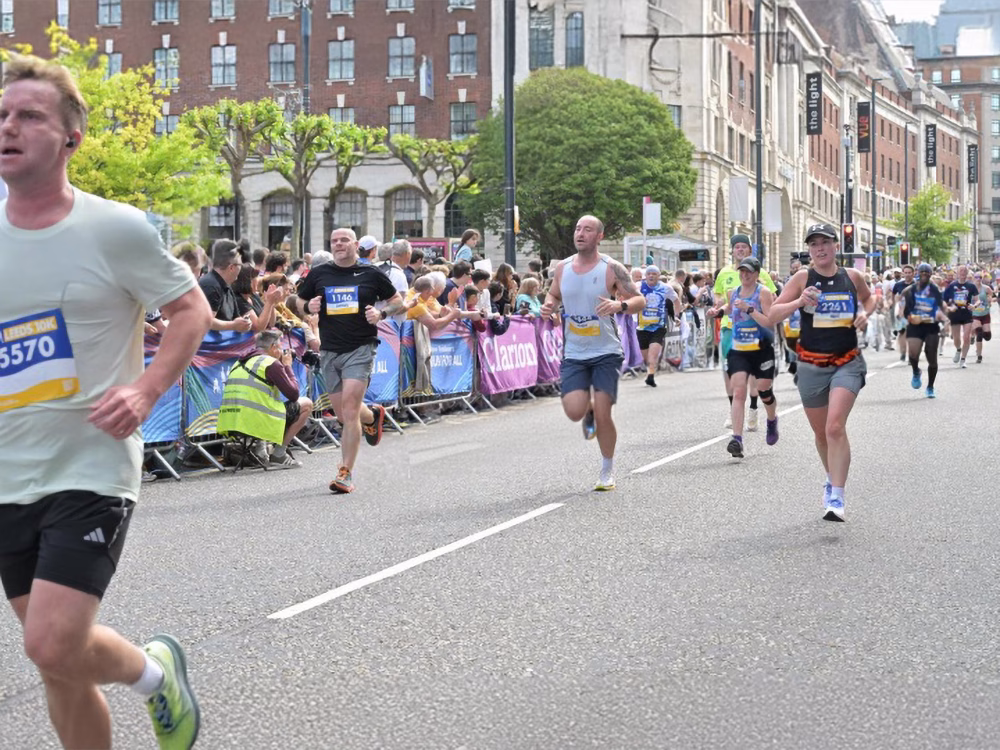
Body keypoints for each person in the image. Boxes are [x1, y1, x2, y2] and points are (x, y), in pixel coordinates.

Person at [0, 54, 212, 748]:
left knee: (53, 644)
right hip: (8, 473)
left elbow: (191, 311)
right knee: (58, 664)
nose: (9, 127)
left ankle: (154, 673)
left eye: (29, 115)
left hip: (90, 465)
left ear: (71, 137)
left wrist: (146, 389)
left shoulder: (114, 228)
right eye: (3, 116)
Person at [768, 223, 873, 522]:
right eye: (813, 244)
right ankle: (831, 477)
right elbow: (772, 315)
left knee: (834, 427)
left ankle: (837, 497)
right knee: (821, 433)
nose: (819, 248)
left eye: (825, 242)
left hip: (847, 361)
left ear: (835, 246)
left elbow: (869, 298)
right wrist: (799, 302)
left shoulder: (852, 276)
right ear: (809, 250)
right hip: (811, 365)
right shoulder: (802, 278)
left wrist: (865, 312)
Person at [294, 228, 405, 494]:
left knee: (350, 409)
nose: (339, 244)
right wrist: (307, 308)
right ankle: (374, 415)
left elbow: (398, 301)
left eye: (344, 240)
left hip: (361, 347)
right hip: (330, 350)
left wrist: (381, 314)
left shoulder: (371, 274)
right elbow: (298, 300)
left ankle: (345, 472)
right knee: (344, 414)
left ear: (355, 245)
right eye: (334, 241)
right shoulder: (319, 273)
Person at [540, 215, 645, 491]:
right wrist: (548, 305)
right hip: (574, 351)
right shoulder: (562, 268)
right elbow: (553, 294)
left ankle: (607, 471)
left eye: (587, 229)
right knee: (574, 411)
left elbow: (639, 300)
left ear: (599, 236)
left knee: (603, 413)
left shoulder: (611, 268)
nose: (580, 233)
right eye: (577, 228)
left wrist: (618, 306)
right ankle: (586, 410)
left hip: (606, 351)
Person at [707, 234, 777, 430]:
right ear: (732, 250)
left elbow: (772, 297)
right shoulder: (724, 274)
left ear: (749, 250)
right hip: (731, 327)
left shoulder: (761, 273)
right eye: (736, 246)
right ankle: (734, 411)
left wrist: (759, 311)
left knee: (754, 373)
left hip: (756, 330)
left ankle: (753, 409)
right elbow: (720, 299)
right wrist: (717, 309)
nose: (739, 250)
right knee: (730, 370)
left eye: (743, 247)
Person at [217, 329, 314, 468]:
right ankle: (279, 454)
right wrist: (287, 366)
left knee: (267, 402)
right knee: (306, 404)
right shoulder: (270, 363)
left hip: (232, 422)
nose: (281, 351)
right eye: (280, 347)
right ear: (273, 347)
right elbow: (293, 394)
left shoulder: (240, 362)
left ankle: (261, 450)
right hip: (255, 420)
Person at [723, 257, 779, 457]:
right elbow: (730, 309)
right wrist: (718, 310)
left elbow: (769, 322)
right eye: (742, 271)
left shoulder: (762, 293)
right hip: (739, 348)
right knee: (739, 391)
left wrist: (750, 309)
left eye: (748, 272)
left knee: (763, 389)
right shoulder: (734, 292)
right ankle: (736, 439)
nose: (744, 275)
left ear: (756, 274)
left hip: (761, 347)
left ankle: (772, 420)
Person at [900, 262, 948, 398]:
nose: (924, 275)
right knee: (913, 355)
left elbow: (940, 307)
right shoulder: (911, 290)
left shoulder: (935, 290)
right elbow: (905, 310)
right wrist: (909, 317)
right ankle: (916, 371)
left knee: (932, 358)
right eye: (922, 273)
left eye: (927, 273)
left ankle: (930, 387)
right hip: (915, 326)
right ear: (917, 274)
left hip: (931, 326)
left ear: (931, 275)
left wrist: (943, 318)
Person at [636, 265, 678, 387]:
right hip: (642, 326)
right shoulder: (639, 286)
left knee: (652, 355)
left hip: (658, 326)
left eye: (654, 274)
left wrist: (676, 316)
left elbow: (676, 301)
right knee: (646, 357)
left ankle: (650, 376)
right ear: (646, 276)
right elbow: (626, 294)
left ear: (658, 276)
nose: (651, 275)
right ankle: (650, 370)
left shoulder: (666, 288)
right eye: (649, 273)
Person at [943, 264, 977, 368]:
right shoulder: (951, 285)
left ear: (967, 273)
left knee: (966, 338)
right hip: (955, 314)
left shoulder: (971, 286)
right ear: (957, 273)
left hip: (967, 314)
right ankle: (958, 349)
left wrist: (974, 305)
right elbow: (944, 301)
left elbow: (977, 299)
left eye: (964, 271)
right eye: (961, 271)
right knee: (956, 339)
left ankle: (963, 359)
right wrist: (948, 308)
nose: (963, 272)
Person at [892, 264, 915, 361]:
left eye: (909, 273)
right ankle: (903, 352)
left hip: (914, 312)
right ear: (903, 273)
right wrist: (895, 308)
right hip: (901, 313)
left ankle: (911, 355)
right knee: (902, 333)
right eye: (905, 273)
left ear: (913, 273)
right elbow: (893, 297)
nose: (907, 275)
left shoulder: (917, 285)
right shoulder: (898, 285)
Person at [971, 271, 993, 363]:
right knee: (979, 333)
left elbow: (991, 295)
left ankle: (977, 336)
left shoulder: (986, 288)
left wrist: (989, 299)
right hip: (975, 314)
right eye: (976, 277)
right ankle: (979, 355)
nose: (978, 279)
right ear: (973, 278)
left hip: (985, 314)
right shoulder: (970, 288)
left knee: (987, 336)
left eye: (980, 277)